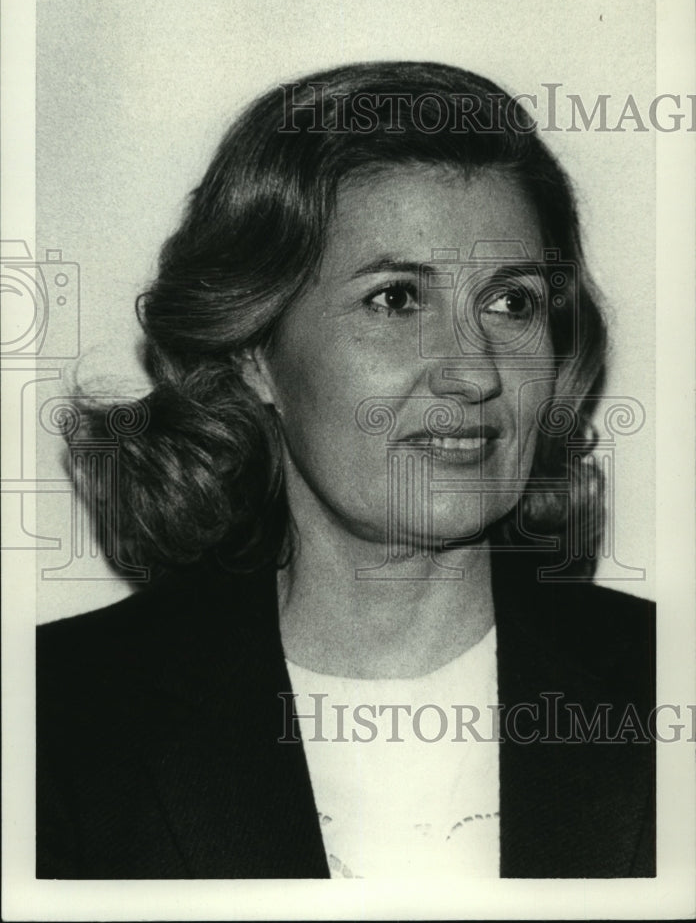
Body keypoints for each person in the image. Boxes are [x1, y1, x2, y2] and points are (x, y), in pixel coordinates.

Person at [36, 61, 655, 880]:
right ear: (256, 352)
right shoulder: (59, 718)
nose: (473, 374)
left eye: (512, 302)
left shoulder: (655, 683)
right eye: (396, 300)